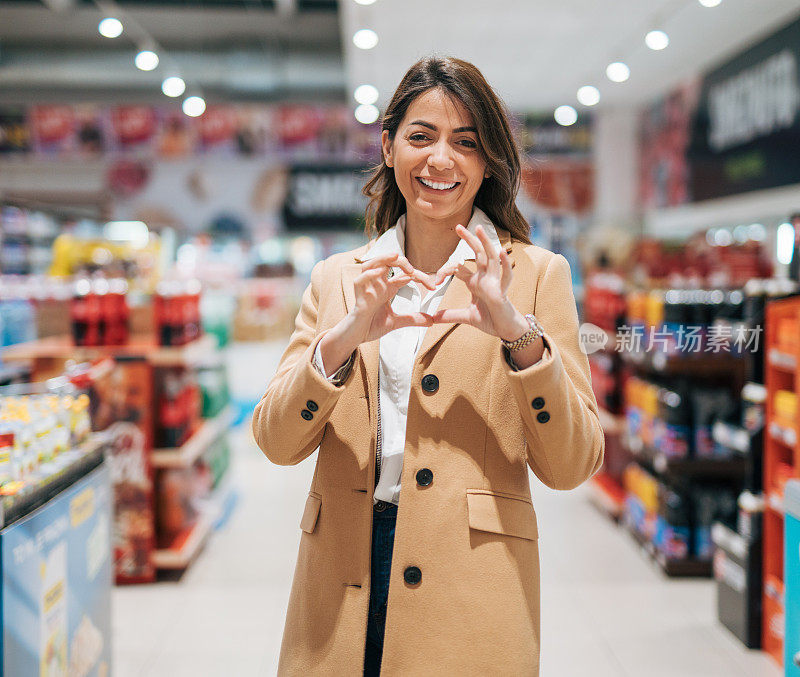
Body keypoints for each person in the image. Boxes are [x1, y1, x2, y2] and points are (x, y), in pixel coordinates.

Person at [252, 56, 605, 677]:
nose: (441, 160)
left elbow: (572, 464)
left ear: (488, 160)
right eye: (421, 136)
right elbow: (277, 442)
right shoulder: (339, 280)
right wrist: (340, 343)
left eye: (466, 142)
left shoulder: (535, 276)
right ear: (388, 147)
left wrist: (518, 336)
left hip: (471, 583)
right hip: (343, 575)